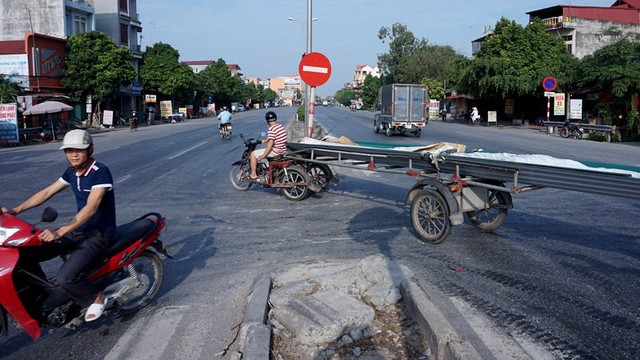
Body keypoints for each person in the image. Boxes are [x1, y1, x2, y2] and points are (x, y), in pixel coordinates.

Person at [1, 130, 116, 322]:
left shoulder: (99, 171)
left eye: (78, 150)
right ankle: (44, 292)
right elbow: (46, 193)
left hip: (98, 234)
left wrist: (60, 231)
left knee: (65, 277)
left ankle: (97, 297)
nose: (73, 154)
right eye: (69, 150)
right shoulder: (72, 171)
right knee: (26, 251)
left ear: (90, 149)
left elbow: (91, 207)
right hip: (79, 230)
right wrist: (15, 210)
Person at [249, 111, 288, 180]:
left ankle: (254, 174)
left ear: (267, 121)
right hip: (283, 150)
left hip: (276, 151)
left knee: (253, 154)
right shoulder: (280, 126)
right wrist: (265, 140)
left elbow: (270, 144)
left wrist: (264, 155)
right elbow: (275, 137)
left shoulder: (271, 129)